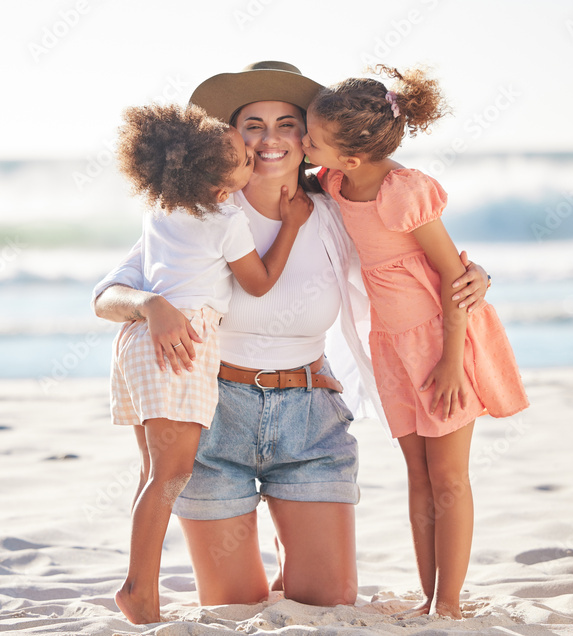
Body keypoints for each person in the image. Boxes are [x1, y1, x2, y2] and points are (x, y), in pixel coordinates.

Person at [93, 62, 491, 612]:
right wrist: (148, 305)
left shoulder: (335, 210)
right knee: (233, 607)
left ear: (310, 138)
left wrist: (473, 275)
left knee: (326, 603)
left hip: (309, 422)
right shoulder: (198, 210)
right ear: (229, 134)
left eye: (287, 123)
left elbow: (409, 250)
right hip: (216, 421)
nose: (271, 138)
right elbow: (107, 295)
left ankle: (296, 548)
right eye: (253, 123)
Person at [302, 66, 529, 618]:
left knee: (448, 475)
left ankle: (448, 604)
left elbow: (456, 280)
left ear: (352, 157)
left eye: (310, 138)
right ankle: (429, 596)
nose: (302, 144)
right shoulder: (334, 181)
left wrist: (454, 363)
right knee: (418, 475)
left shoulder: (404, 192)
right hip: (390, 346)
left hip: (441, 342)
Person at [108, 102, 312, 624]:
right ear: (221, 185)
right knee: (171, 474)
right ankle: (138, 591)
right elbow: (259, 283)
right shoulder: (226, 217)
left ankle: (140, 584)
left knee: (155, 472)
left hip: (137, 343)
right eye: (244, 158)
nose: (253, 159)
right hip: (184, 342)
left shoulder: (160, 211)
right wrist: (290, 225)